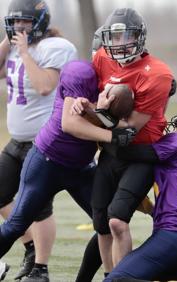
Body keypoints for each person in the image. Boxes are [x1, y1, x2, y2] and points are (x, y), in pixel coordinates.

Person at [0, 60, 136, 282]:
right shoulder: (81, 72)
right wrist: (111, 134)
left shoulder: (126, 83)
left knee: (110, 223)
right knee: (17, 224)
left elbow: (127, 124)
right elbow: (69, 124)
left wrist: (95, 110)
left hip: (81, 167)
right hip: (47, 161)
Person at [90, 7, 177, 275]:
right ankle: (110, 276)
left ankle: (123, 277)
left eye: (125, 36)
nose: (120, 43)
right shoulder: (101, 58)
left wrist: (97, 112)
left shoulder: (157, 73)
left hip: (140, 152)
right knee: (102, 224)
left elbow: (129, 129)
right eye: (114, 37)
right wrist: (84, 106)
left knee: (118, 221)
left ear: (139, 37)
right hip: (110, 151)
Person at [0, 0, 78, 280]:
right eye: (14, 22)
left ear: (41, 22)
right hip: (17, 141)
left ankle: (40, 269)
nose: (19, 27)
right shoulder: (13, 47)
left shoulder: (55, 47)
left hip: (44, 143)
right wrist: (8, 43)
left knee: (38, 206)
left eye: (26, 22)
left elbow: (45, 86)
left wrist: (24, 52)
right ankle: (31, 246)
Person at [103, 108, 177, 282]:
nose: (176, 129)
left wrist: (99, 133)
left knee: (117, 280)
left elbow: (130, 153)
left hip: (172, 241)